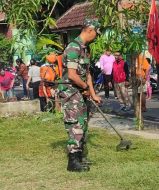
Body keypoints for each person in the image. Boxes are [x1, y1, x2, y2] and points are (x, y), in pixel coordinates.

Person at [58, 19, 101, 172]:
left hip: (81, 92)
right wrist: (84, 88)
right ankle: (72, 161)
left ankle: (80, 156)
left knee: (82, 124)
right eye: (96, 33)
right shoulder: (73, 47)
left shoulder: (85, 49)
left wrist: (93, 93)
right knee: (75, 124)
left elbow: (87, 74)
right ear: (90, 30)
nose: (96, 37)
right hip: (71, 92)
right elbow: (72, 75)